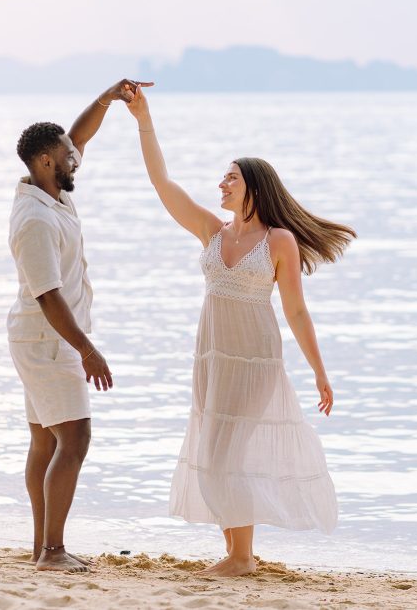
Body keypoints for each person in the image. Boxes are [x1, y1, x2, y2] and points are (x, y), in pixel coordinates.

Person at [124, 87, 355, 576]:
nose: (221, 184)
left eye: (230, 177)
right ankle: (236, 552)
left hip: (255, 360)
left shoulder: (279, 240)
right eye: (222, 177)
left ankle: (241, 557)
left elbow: (295, 310)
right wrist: (144, 119)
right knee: (212, 449)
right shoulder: (211, 230)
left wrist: (320, 372)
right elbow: (162, 182)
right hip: (211, 355)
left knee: (226, 452)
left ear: (253, 185)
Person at [8, 79, 152, 573]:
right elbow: (48, 296)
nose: (76, 159)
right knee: (74, 438)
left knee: (46, 441)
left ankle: (41, 548)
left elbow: (78, 136)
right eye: (68, 156)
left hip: (44, 337)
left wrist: (108, 99)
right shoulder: (35, 221)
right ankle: (52, 551)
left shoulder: (52, 187)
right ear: (46, 163)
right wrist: (88, 350)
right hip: (48, 339)